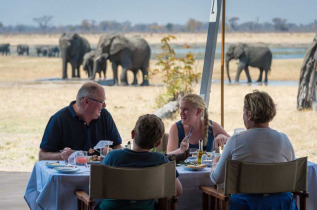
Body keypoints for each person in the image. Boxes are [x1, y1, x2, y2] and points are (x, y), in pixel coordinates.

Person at [210, 90, 297, 209]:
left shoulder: (236, 140)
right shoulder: (284, 139)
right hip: (281, 205)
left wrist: (214, 164)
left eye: (243, 112)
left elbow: (217, 178)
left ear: (249, 115)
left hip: (245, 205)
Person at [99, 114, 182, 210]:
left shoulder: (112, 156)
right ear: (157, 143)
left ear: (133, 134)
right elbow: (178, 190)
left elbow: (98, 187)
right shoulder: (161, 160)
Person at [39, 81, 122, 161]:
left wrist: (111, 153)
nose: (105, 105)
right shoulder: (59, 119)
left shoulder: (105, 116)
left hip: (100, 172)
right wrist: (62, 156)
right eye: (101, 102)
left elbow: (117, 147)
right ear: (86, 101)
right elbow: (42, 155)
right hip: (69, 174)